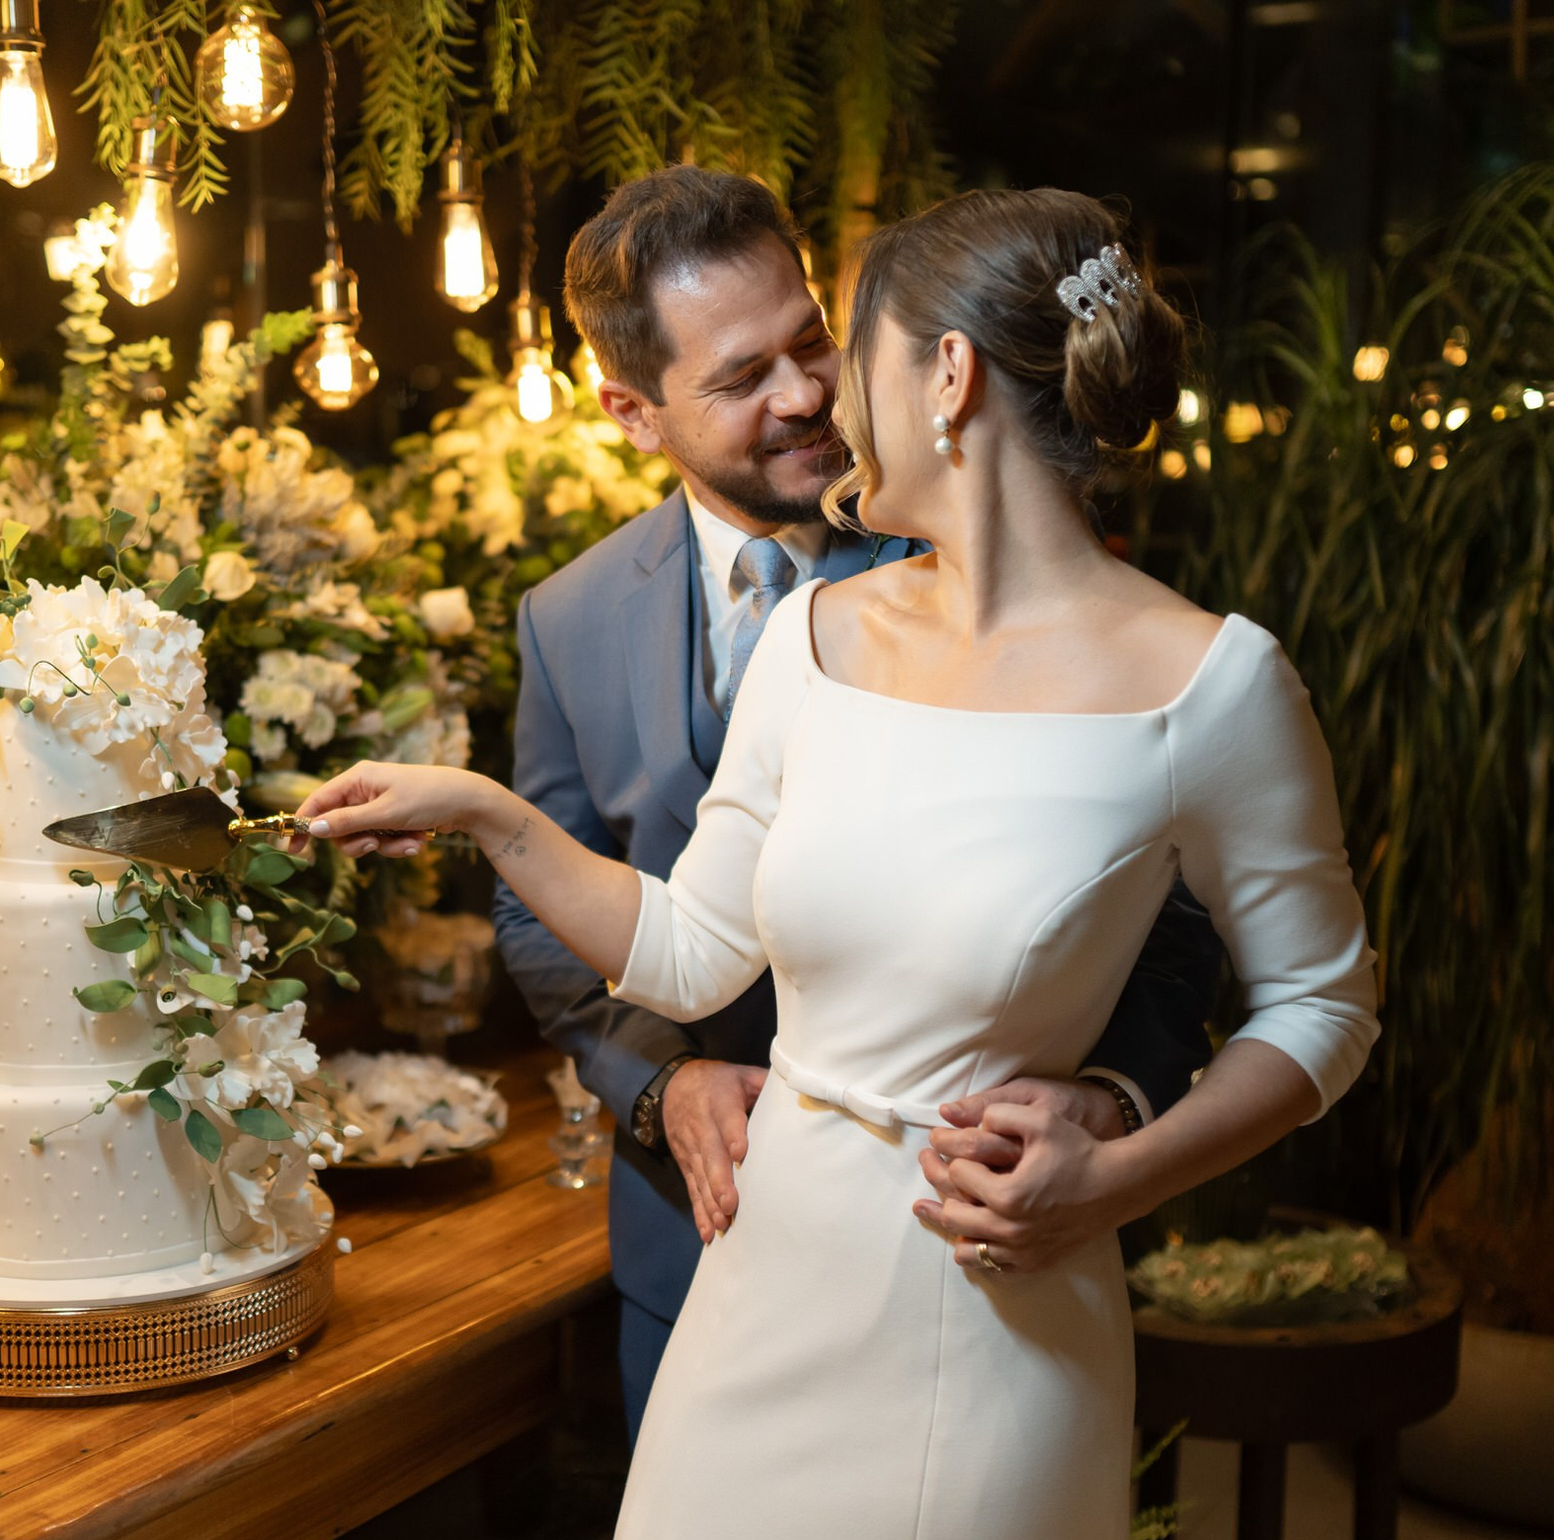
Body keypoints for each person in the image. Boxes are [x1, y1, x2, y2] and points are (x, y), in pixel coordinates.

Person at [297, 184, 1379, 1540]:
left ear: (945, 379)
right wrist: (489, 812)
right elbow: (683, 952)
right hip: (756, 1301)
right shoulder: (818, 644)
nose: (818, 395)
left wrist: (1121, 1170)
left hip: (987, 1305)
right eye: (761, 371)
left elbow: (1326, 1009)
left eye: (841, 348)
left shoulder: (1214, 686)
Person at [491, 166, 1223, 1440]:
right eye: (738, 378)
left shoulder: (998, 558)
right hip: (692, 1237)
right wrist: (664, 1089)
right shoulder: (568, 620)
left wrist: (1110, 1106)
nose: (804, 398)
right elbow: (539, 914)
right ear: (631, 408)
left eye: (810, 342)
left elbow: (1169, 917)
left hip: (973, 1243)